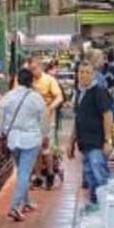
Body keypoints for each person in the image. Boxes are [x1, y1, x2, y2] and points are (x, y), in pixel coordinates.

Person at [0, 69, 49, 221]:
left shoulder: (8, 96)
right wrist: (45, 136)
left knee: (22, 171)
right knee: (24, 173)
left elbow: (0, 119)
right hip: (31, 140)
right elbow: (43, 120)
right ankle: (15, 207)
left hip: (13, 140)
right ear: (32, 81)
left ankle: (26, 202)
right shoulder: (37, 98)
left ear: (17, 80)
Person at [69, 51, 114, 211]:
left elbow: (108, 115)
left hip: (97, 142)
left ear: (93, 74)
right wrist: (71, 143)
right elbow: (77, 119)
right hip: (85, 143)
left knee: (99, 175)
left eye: (87, 72)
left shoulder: (99, 92)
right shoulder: (80, 93)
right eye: (81, 72)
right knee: (90, 176)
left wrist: (108, 141)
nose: (83, 75)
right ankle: (96, 206)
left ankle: (106, 209)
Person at [31, 60, 65, 189]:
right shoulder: (30, 81)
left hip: (47, 121)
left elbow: (59, 97)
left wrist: (50, 108)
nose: (33, 72)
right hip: (33, 121)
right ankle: (38, 176)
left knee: (47, 149)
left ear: (40, 67)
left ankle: (50, 174)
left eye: (34, 69)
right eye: (31, 69)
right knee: (36, 149)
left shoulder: (49, 80)